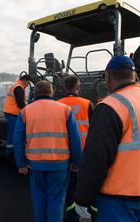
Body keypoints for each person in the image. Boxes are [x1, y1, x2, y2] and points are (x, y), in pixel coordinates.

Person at [75, 55, 140, 221]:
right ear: (134, 76)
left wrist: (82, 198)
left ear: (108, 77)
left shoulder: (110, 106)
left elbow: (96, 158)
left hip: (118, 196)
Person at [13, 81, 82, 222]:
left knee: (39, 200)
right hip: (60, 165)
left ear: (35, 93)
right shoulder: (65, 109)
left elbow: (18, 140)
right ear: (52, 93)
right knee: (56, 201)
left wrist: (21, 163)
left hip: (35, 164)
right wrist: (76, 161)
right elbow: (75, 138)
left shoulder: (25, 111)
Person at [58, 76, 95, 221]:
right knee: (87, 184)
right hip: (85, 153)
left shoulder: (58, 104)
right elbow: (94, 129)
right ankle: (91, 212)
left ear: (64, 88)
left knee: (69, 187)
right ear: (78, 87)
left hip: (64, 152)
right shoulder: (87, 104)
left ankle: (71, 215)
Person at [3, 75, 32, 156]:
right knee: (14, 132)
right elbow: (20, 103)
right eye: (28, 83)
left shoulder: (15, 86)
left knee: (11, 131)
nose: (27, 85)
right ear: (25, 80)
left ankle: (9, 149)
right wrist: (29, 110)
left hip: (9, 111)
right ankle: (10, 152)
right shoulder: (19, 87)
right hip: (13, 112)